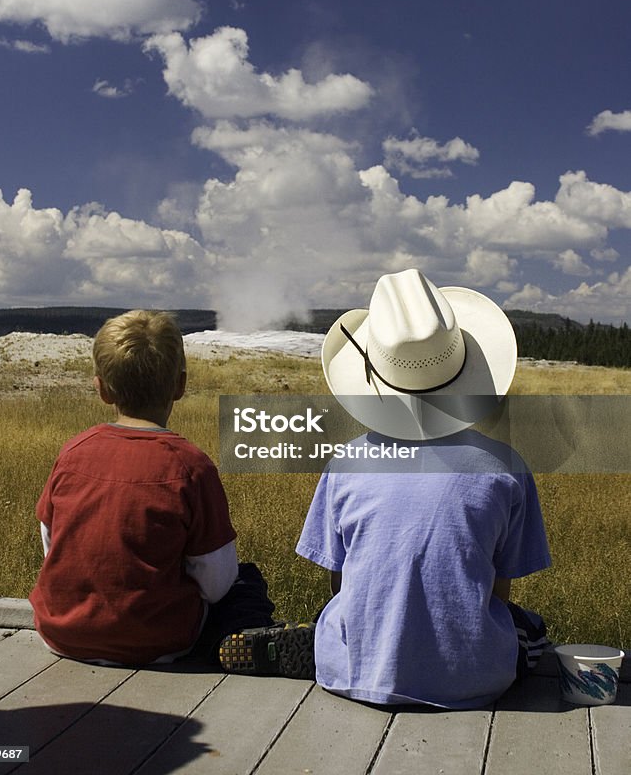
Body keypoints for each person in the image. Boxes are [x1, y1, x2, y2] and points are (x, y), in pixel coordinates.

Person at [219, 269, 551, 708]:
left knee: (333, 613)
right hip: (473, 681)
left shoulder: (346, 463)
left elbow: (339, 582)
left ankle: (323, 645)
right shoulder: (506, 468)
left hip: (354, 672)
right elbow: (498, 590)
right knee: (532, 629)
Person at [29, 310, 274, 667]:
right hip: (159, 642)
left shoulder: (73, 452)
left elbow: (51, 542)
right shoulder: (191, 466)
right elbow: (217, 582)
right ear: (181, 385)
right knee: (246, 584)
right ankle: (246, 642)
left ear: (102, 388)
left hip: (61, 634)